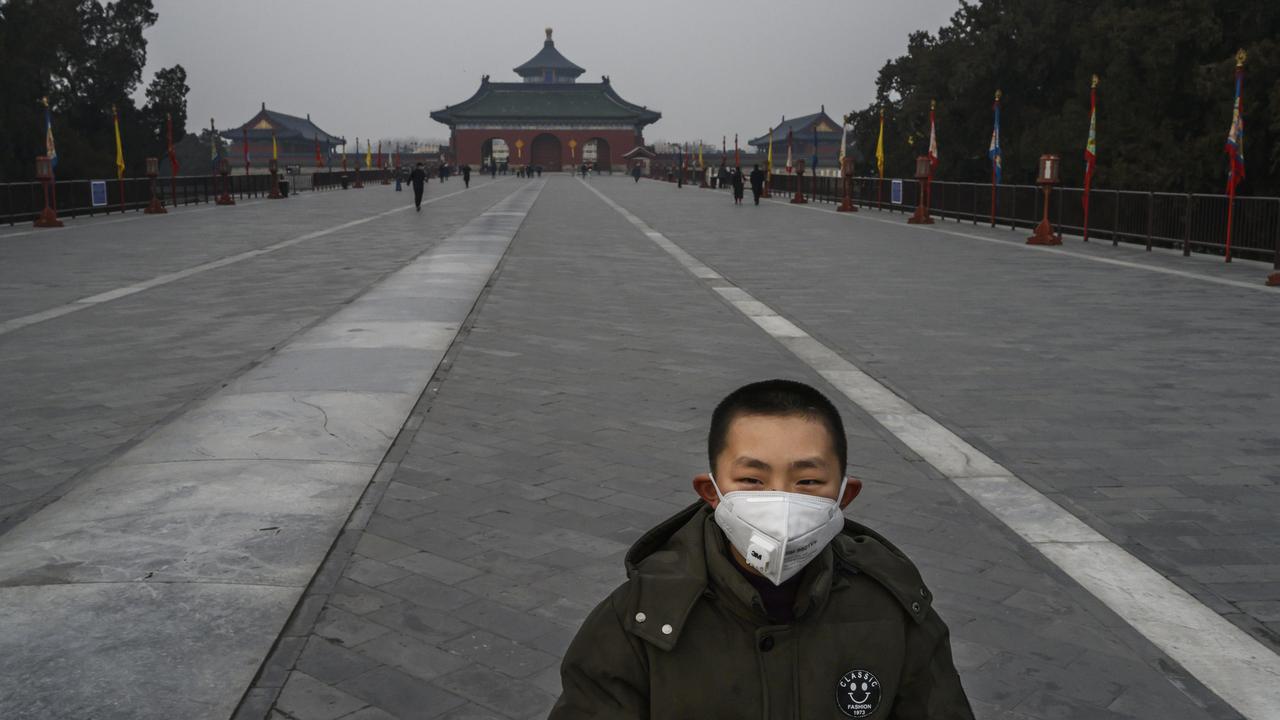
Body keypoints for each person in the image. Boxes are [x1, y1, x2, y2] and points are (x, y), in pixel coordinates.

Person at [550, 379, 974, 719]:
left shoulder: (895, 611)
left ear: (844, 496)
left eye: (807, 482)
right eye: (752, 481)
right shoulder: (640, 621)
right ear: (712, 493)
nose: (781, 500)